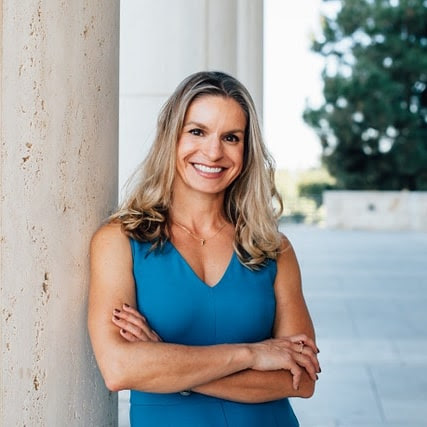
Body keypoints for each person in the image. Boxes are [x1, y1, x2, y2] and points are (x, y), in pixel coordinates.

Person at [88, 71, 320, 426]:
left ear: (246, 150)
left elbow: (301, 380)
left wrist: (165, 364)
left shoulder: (272, 248)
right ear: (172, 138)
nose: (213, 152)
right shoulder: (119, 241)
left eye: (231, 138)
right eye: (197, 131)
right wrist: (253, 354)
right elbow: (119, 369)